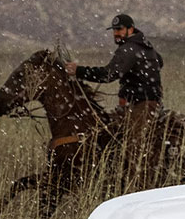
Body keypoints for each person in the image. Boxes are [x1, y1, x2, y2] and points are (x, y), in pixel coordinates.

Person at [66, 14, 164, 179]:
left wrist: (79, 71)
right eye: (114, 31)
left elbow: (108, 74)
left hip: (141, 106)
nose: (116, 34)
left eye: (119, 30)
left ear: (130, 29)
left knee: (134, 152)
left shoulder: (130, 48)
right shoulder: (144, 45)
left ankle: (136, 188)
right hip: (141, 104)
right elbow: (159, 61)